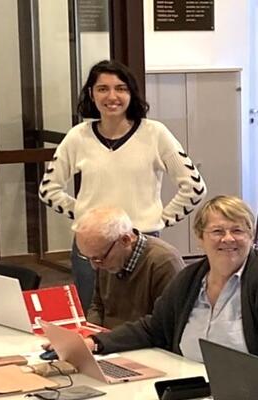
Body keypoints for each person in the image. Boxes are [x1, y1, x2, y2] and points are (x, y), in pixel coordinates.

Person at [67, 196, 258, 399]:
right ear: (200, 237)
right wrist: (95, 343)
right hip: (196, 387)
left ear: (251, 235)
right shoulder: (191, 279)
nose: (228, 239)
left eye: (238, 230)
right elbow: (154, 327)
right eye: (217, 231)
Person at [39, 60, 205, 309]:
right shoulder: (78, 136)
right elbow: (48, 190)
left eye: (120, 88)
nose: (112, 96)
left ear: (131, 93)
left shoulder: (155, 133)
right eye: (102, 89)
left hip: (142, 242)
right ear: (91, 94)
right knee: (92, 315)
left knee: (144, 315)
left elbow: (194, 187)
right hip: (91, 247)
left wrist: (160, 219)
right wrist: (87, 217)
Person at [74, 206, 184, 329]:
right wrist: (91, 332)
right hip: (109, 336)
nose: (94, 266)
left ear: (125, 240)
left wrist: (110, 338)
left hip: (142, 337)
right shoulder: (106, 255)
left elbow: (167, 323)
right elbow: (98, 305)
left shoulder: (164, 263)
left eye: (99, 258)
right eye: (88, 257)